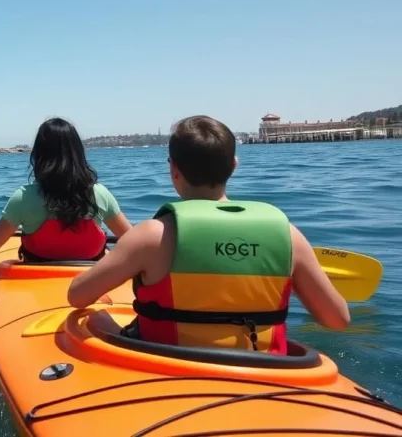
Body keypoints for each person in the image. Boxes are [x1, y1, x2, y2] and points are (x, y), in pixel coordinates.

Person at [67, 115, 350, 355]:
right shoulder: (288, 236)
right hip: (263, 370)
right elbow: (337, 320)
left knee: (96, 319)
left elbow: (77, 295)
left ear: (173, 170)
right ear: (234, 166)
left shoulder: (151, 235)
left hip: (166, 365)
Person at [0, 117, 133, 261]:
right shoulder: (100, 193)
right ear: (78, 152)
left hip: (37, 275)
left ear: (38, 154)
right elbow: (134, 241)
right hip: (90, 279)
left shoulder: (23, 197)